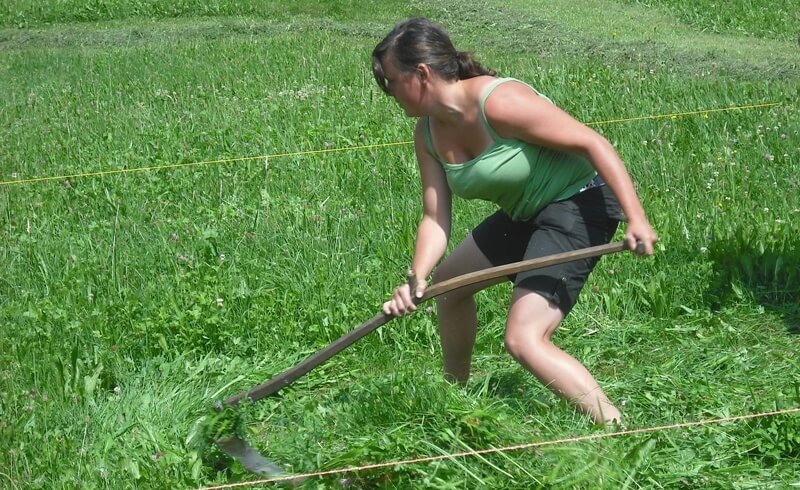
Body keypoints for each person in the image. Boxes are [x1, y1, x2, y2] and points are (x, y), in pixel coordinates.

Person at [373, 18, 658, 425]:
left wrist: (637, 219)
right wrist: (417, 276)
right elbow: (435, 215)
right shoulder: (428, 134)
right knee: (449, 290)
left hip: (579, 204)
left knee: (523, 339)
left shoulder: (499, 102)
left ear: (421, 74)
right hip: (525, 213)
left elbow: (594, 143)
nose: (387, 91)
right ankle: (457, 400)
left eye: (390, 80)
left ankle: (615, 427)